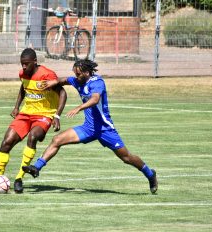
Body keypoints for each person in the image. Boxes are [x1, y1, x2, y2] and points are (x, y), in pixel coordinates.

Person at [23, 59, 158, 194]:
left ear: (87, 72)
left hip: (105, 129)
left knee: (126, 158)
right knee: (57, 140)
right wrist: (55, 81)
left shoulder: (97, 82)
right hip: (88, 128)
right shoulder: (78, 80)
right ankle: (37, 167)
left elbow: (95, 99)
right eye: (75, 74)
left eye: (79, 74)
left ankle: (150, 175)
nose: (76, 77)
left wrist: (79, 107)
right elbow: (65, 80)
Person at [0, 48, 67, 193]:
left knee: (32, 137)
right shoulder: (23, 74)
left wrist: (57, 116)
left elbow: (63, 93)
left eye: (26, 64)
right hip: (26, 114)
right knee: (6, 142)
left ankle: (19, 178)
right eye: (22, 64)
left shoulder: (47, 75)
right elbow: (24, 87)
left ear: (35, 62)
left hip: (44, 115)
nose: (24, 67)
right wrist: (16, 107)